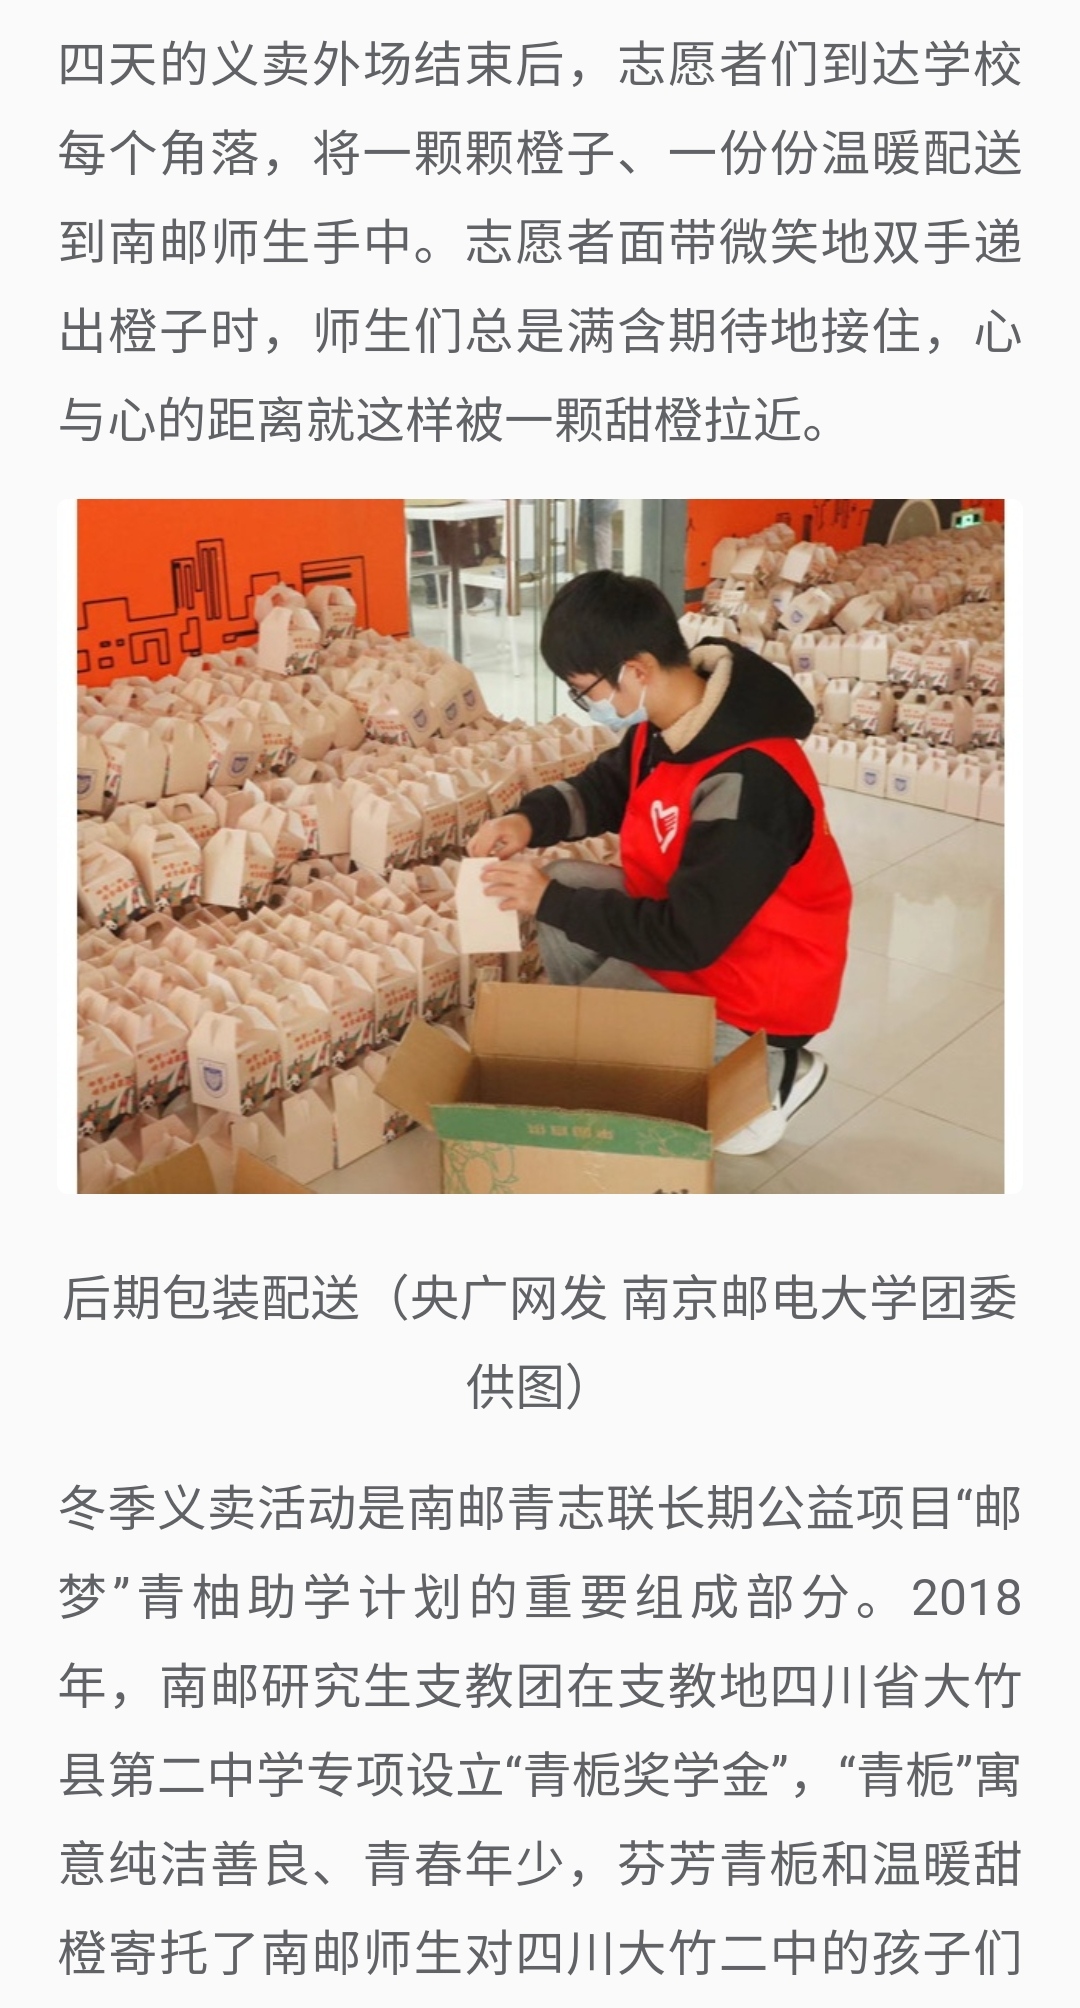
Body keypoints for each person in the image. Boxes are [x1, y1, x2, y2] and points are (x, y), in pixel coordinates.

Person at [468, 570, 852, 1155]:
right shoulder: (669, 729)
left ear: (637, 671)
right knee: (564, 887)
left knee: (570, 961)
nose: (588, 706)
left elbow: (688, 938)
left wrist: (549, 900)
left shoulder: (750, 778)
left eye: (586, 690)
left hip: (756, 973)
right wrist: (526, 822)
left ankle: (775, 1071)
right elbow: (604, 788)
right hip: (699, 931)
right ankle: (622, 1037)